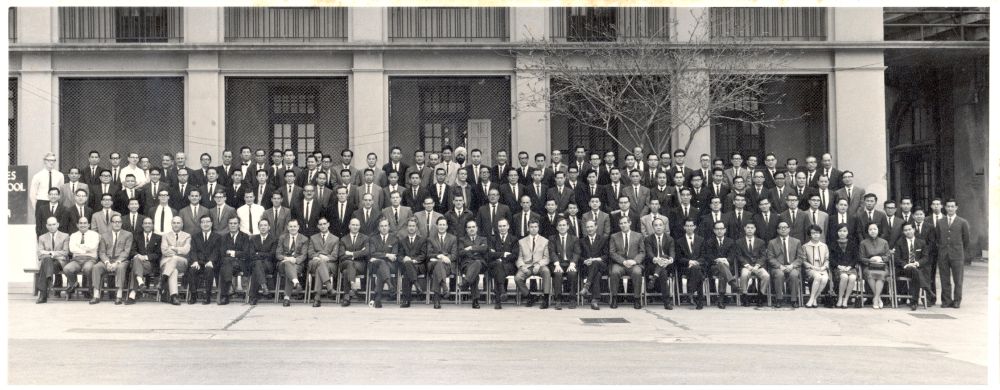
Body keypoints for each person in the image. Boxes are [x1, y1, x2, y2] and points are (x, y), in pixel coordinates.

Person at [935, 199, 970, 308]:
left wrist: (959, 251)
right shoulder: (940, 222)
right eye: (948, 206)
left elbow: (966, 240)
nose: (950, 208)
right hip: (943, 255)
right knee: (944, 278)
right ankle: (946, 301)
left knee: (958, 279)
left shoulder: (962, 222)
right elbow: (937, 238)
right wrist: (941, 250)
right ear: (945, 208)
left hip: (957, 255)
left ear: (956, 208)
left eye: (952, 206)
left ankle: (957, 301)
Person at [894, 222, 936, 311]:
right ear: (903, 232)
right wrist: (906, 264)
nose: (908, 232)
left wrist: (917, 263)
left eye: (909, 229)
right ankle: (926, 290)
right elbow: (897, 258)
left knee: (915, 273)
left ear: (914, 229)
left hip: (917, 268)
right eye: (905, 230)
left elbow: (925, 257)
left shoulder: (921, 242)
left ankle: (914, 302)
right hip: (904, 269)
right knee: (915, 272)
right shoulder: (899, 243)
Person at [701, 220, 740, 309]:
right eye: (717, 229)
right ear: (714, 230)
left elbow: (732, 256)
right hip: (713, 268)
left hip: (728, 268)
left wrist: (725, 260)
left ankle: (721, 299)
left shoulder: (730, 241)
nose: (719, 231)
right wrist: (718, 260)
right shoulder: (709, 242)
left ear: (725, 230)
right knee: (721, 266)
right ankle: (733, 284)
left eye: (721, 228)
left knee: (723, 271)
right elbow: (708, 256)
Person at [767, 221, 806, 308]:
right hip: (778, 267)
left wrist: (792, 266)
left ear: (789, 229)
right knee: (779, 274)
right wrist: (780, 266)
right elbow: (770, 258)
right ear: (777, 230)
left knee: (794, 274)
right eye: (781, 227)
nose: (783, 229)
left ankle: (794, 300)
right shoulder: (772, 242)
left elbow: (800, 257)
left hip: (792, 266)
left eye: (785, 227)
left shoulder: (796, 242)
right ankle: (779, 299)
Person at [609, 217, 645, 309]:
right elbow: (612, 252)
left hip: (634, 263)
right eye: (621, 223)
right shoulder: (614, 236)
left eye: (625, 223)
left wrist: (634, 261)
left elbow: (642, 252)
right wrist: (623, 261)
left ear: (630, 223)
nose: (623, 225)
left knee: (637, 272)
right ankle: (614, 298)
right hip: (620, 264)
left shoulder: (638, 236)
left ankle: (637, 299)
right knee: (614, 272)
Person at [515, 220, 551, 309]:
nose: (533, 229)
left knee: (546, 271)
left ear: (538, 228)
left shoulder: (545, 241)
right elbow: (519, 257)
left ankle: (546, 299)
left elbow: (546, 258)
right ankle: (529, 296)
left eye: (535, 227)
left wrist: (539, 264)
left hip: (540, 266)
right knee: (518, 278)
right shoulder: (521, 241)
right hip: (526, 265)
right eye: (531, 227)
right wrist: (522, 266)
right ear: (528, 228)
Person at [35, 217, 70, 303]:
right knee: (47, 261)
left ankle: (43, 294)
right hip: (49, 263)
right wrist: (55, 254)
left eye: (54, 224)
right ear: (46, 226)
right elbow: (39, 253)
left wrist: (50, 254)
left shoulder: (65, 236)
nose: (52, 227)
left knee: (46, 261)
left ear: (57, 224)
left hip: (60, 264)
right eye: (49, 225)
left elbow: (65, 252)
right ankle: (49, 280)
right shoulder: (42, 237)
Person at [64, 216, 100, 300]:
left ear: (89, 225)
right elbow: (72, 249)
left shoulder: (94, 234)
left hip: (90, 259)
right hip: (76, 260)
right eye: (80, 223)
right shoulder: (73, 235)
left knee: (87, 269)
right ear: (77, 225)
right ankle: (74, 283)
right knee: (67, 269)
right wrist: (85, 249)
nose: (82, 225)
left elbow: (93, 247)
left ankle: (91, 290)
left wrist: (79, 247)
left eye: (85, 223)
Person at [127, 216, 160, 305]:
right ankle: (138, 285)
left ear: (152, 225)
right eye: (145, 223)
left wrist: (145, 257)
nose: (147, 225)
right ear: (142, 225)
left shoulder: (158, 237)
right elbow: (132, 251)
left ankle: (133, 291)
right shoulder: (137, 236)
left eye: (149, 223)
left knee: (136, 265)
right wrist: (138, 256)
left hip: (150, 265)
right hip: (138, 263)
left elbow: (158, 254)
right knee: (136, 261)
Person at [547, 217, 579, 310]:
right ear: (557, 227)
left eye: (564, 225)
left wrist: (572, 264)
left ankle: (572, 299)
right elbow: (552, 252)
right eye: (560, 225)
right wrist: (556, 264)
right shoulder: (552, 238)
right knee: (557, 274)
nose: (562, 227)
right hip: (558, 263)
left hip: (570, 263)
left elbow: (576, 252)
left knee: (572, 273)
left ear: (568, 226)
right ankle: (558, 299)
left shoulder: (574, 239)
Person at [644, 218, 675, 309]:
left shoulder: (669, 239)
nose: (658, 227)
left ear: (664, 226)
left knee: (665, 258)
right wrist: (656, 259)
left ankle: (654, 277)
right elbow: (649, 252)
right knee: (663, 272)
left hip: (667, 265)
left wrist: (670, 260)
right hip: (652, 265)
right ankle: (667, 302)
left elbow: (672, 252)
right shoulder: (648, 239)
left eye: (660, 225)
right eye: (656, 225)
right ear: (653, 227)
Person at [456, 220, 488, 309]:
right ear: (466, 229)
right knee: (475, 274)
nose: (471, 229)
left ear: (477, 228)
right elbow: (461, 252)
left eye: (473, 227)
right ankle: (475, 300)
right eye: (469, 227)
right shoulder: (462, 239)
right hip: (467, 265)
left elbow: (484, 248)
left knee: (477, 263)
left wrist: (471, 248)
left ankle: (465, 282)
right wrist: (477, 250)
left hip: (481, 264)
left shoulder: (483, 239)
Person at [735, 221, 769, 307]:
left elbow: (763, 256)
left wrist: (757, 265)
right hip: (746, 266)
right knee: (744, 275)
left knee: (766, 276)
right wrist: (747, 265)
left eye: (752, 228)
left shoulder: (761, 242)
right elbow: (739, 256)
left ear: (755, 229)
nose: (750, 230)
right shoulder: (739, 242)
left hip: (758, 266)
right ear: (744, 229)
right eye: (748, 228)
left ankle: (761, 296)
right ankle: (745, 296)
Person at [337, 218, 370, 307]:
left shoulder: (365, 238)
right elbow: (341, 255)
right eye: (353, 225)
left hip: (360, 265)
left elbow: (366, 252)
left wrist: (351, 254)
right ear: (349, 226)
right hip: (345, 263)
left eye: (357, 225)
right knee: (349, 264)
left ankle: (346, 297)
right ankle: (353, 285)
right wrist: (359, 252)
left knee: (346, 271)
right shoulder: (343, 239)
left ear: (359, 226)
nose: (355, 227)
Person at [426, 216, 457, 309]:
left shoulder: (453, 238)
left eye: (444, 225)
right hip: (433, 265)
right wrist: (439, 256)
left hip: (448, 265)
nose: (442, 226)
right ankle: (445, 287)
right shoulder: (431, 239)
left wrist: (445, 258)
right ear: (437, 226)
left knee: (438, 268)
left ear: (447, 226)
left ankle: (436, 299)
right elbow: (428, 254)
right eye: (440, 225)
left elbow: (454, 255)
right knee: (438, 265)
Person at [188, 215, 220, 305]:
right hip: (199, 262)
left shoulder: (217, 237)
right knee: (192, 269)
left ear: (211, 223)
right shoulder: (195, 236)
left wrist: (211, 261)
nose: (205, 224)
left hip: (211, 263)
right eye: (203, 222)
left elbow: (216, 251)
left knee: (209, 270)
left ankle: (208, 296)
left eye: (207, 222)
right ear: (200, 224)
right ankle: (193, 295)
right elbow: (193, 250)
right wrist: (195, 261)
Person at [158, 216, 189, 305]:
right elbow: (164, 250)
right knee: (174, 271)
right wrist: (178, 250)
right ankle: (174, 296)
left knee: (175, 258)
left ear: (182, 224)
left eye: (178, 223)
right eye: (174, 223)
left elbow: (186, 250)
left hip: (181, 262)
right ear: (171, 224)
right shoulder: (165, 236)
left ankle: (163, 280)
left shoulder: (187, 236)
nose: (176, 225)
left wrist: (172, 248)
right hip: (166, 262)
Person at [578, 219, 609, 310]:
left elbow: (607, 255)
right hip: (587, 267)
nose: (590, 229)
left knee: (595, 263)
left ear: (596, 227)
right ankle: (594, 300)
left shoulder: (603, 239)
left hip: (601, 266)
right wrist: (584, 261)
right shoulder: (582, 241)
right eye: (588, 227)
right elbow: (579, 256)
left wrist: (596, 259)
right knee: (596, 274)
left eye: (591, 226)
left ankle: (586, 286)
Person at [218, 216, 249, 305]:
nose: (233, 225)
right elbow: (222, 252)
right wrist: (237, 253)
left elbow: (246, 253)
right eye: (231, 223)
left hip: (241, 264)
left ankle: (225, 294)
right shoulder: (224, 237)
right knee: (226, 263)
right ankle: (228, 288)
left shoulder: (245, 236)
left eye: (235, 223)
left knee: (226, 263)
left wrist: (232, 252)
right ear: (228, 225)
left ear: (239, 225)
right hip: (229, 265)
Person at [397, 218, 427, 308]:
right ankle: (416, 284)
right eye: (410, 226)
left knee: (407, 271)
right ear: (407, 227)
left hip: (418, 266)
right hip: (407, 265)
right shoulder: (402, 241)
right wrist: (403, 258)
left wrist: (413, 260)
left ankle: (406, 300)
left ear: (416, 227)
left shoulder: (422, 240)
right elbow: (399, 256)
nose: (411, 228)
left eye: (413, 226)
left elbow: (424, 255)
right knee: (407, 268)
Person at [859, 222, 890, 309]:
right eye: (870, 229)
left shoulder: (884, 242)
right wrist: (870, 260)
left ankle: (875, 298)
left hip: (882, 266)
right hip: (869, 266)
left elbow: (888, 256)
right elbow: (861, 258)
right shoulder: (863, 243)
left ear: (878, 230)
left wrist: (881, 259)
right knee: (870, 275)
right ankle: (878, 298)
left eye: (875, 229)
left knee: (881, 275)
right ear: (867, 231)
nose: (873, 231)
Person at [368, 218, 398, 308]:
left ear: (389, 227)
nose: (384, 228)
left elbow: (394, 255)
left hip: (389, 265)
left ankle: (377, 298)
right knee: (381, 264)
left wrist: (381, 256)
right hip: (375, 265)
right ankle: (390, 285)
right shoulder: (373, 239)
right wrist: (387, 254)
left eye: (385, 226)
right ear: (378, 228)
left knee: (381, 267)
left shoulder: (394, 239)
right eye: (381, 226)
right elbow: (372, 253)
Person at [829, 223, 859, 308]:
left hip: (850, 267)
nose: (842, 233)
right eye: (840, 231)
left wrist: (850, 266)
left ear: (848, 232)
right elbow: (831, 258)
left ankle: (846, 299)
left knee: (852, 278)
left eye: (844, 231)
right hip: (838, 268)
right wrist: (838, 266)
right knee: (844, 277)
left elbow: (856, 257)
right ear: (837, 232)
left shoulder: (853, 243)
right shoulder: (832, 243)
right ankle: (840, 298)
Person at [248, 219, 277, 306]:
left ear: (269, 227)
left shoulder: (274, 239)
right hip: (256, 264)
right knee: (257, 265)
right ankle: (263, 285)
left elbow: (272, 255)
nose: (263, 227)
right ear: (258, 227)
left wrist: (259, 253)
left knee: (256, 267)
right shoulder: (253, 239)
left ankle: (253, 297)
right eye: (261, 225)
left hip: (268, 265)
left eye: (265, 225)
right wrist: (264, 254)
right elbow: (251, 254)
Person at [801, 225, 830, 308]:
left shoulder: (824, 246)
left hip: (822, 268)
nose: (815, 235)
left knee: (825, 279)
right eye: (813, 233)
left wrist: (824, 267)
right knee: (818, 277)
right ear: (810, 235)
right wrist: (813, 268)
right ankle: (811, 299)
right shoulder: (805, 246)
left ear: (820, 234)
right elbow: (804, 261)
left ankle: (814, 298)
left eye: (817, 233)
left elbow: (827, 259)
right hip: (811, 269)